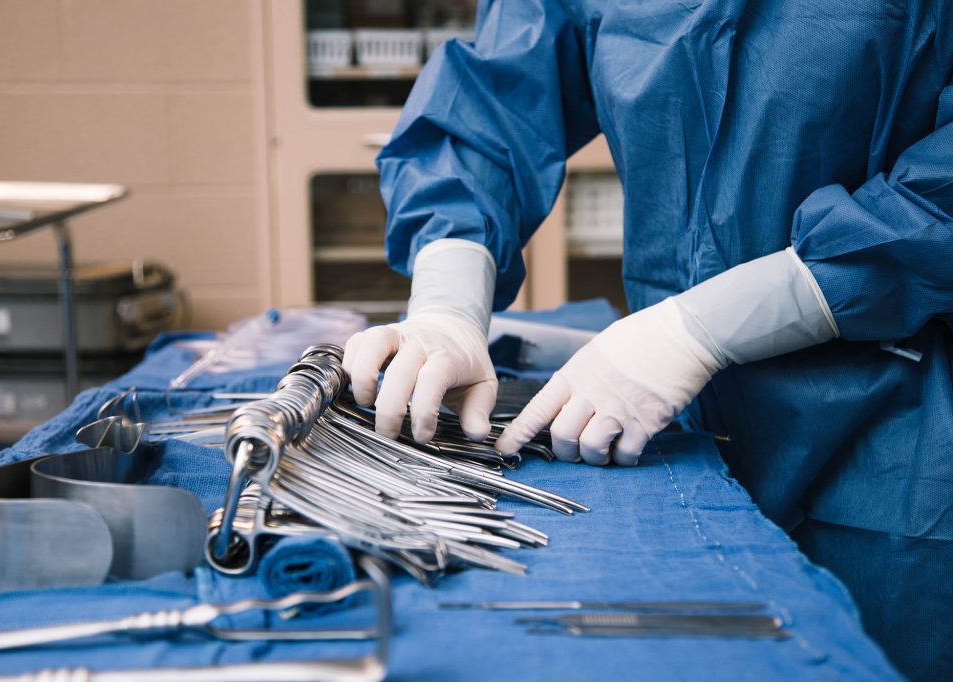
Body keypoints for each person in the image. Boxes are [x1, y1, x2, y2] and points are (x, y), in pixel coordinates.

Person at [342, 1, 952, 678]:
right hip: (667, 423)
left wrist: (707, 327)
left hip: (896, 439)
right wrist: (448, 302)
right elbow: (488, 107)